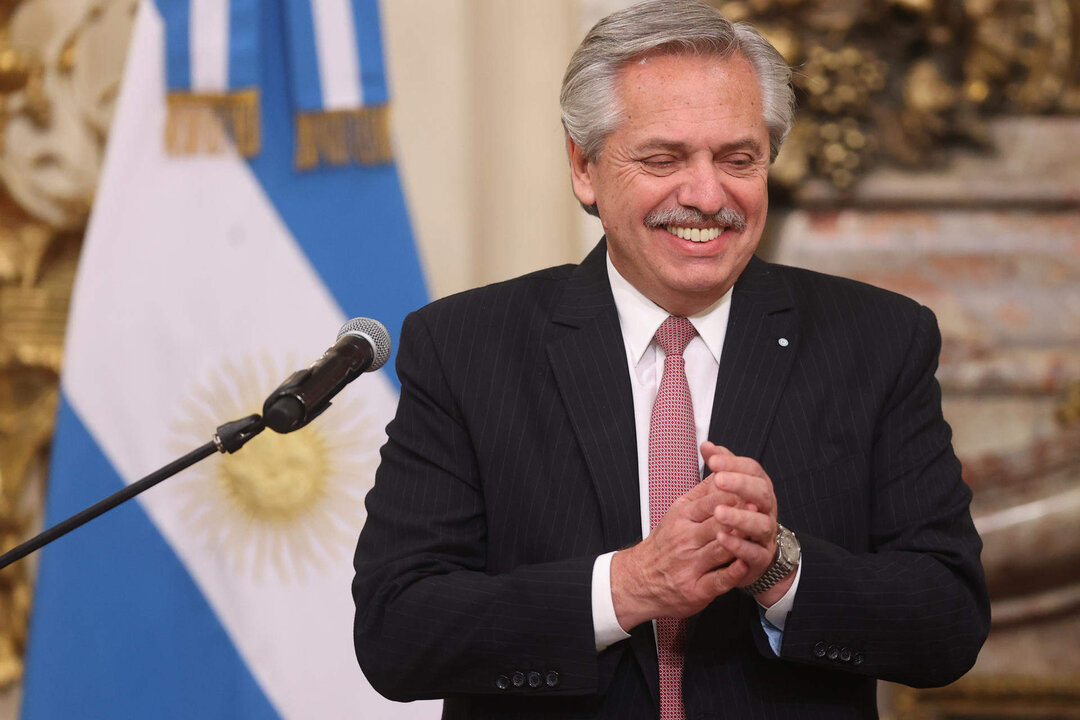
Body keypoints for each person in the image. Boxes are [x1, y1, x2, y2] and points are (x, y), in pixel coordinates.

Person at [352, 1, 990, 718]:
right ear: (584, 168)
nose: (706, 195)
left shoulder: (877, 340)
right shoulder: (466, 344)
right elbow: (396, 631)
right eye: (663, 158)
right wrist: (626, 588)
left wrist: (780, 568)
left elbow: (948, 622)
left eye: (738, 159)